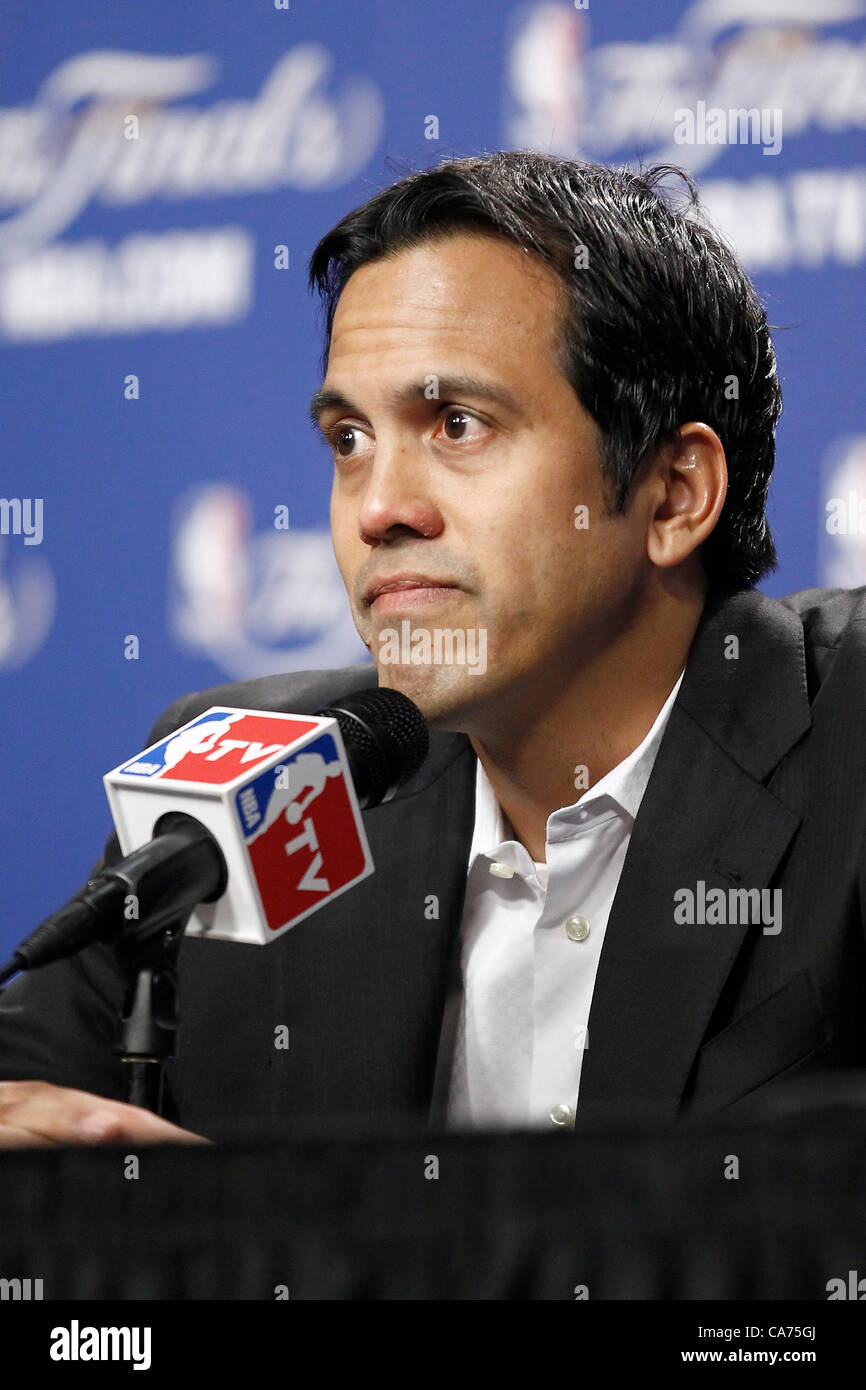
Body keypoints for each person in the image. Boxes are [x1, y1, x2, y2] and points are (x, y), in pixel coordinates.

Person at [1, 151, 863, 1148]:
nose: (375, 510)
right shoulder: (261, 780)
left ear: (671, 493)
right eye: (348, 441)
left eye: (455, 423)